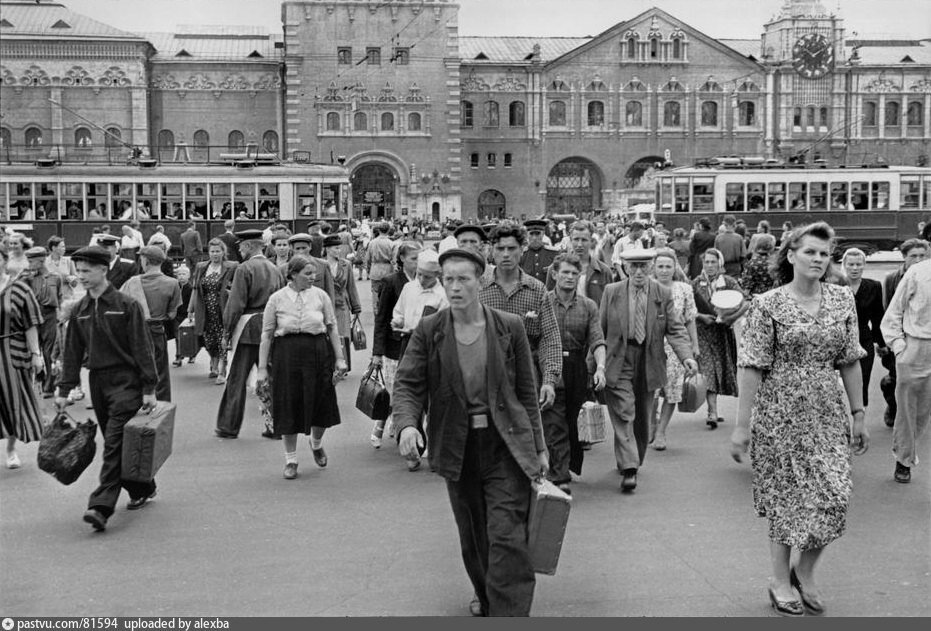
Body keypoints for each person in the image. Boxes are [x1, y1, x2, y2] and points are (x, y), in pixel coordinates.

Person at [392, 247, 548, 617]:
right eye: (449, 279)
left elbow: (526, 390)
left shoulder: (508, 327)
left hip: (504, 443)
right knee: (475, 538)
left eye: (464, 278)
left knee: (507, 536)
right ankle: (488, 594)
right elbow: (408, 384)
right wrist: (407, 426)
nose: (456, 286)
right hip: (457, 446)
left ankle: (509, 613)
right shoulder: (431, 329)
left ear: (481, 280)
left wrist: (538, 446)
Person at [731, 221, 869, 617]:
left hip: (827, 411)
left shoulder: (843, 300)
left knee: (836, 494)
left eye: (825, 254)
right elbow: (752, 367)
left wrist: (859, 413)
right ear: (790, 255)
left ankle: (804, 571)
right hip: (779, 414)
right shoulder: (767, 304)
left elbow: (850, 360)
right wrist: (742, 427)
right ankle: (779, 581)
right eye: (810, 251)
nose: (818, 259)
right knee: (785, 501)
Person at [55, 246, 161, 532]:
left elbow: (142, 348)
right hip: (98, 383)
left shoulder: (126, 305)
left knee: (113, 444)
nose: (82, 277)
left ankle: (100, 506)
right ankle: (142, 488)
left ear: (104, 270)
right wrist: (64, 390)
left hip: (126, 382)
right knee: (117, 442)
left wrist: (149, 388)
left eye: (87, 271)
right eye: (79, 271)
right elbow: (72, 353)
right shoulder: (80, 310)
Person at [601, 249, 697, 492]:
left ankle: (632, 457)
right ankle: (630, 467)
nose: (639, 272)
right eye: (633, 266)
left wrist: (686, 356)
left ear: (651, 267)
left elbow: (675, 329)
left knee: (643, 416)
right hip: (618, 358)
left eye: (644, 266)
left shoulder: (662, 294)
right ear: (624, 267)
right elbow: (600, 331)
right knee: (625, 411)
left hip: (648, 357)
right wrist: (595, 366)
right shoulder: (612, 292)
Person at [256, 256, 348, 479]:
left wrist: (340, 358)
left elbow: (332, 328)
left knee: (321, 402)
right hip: (286, 354)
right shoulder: (276, 299)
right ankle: (291, 460)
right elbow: (267, 335)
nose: (312, 277)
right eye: (307, 273)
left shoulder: (321, 296)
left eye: (313, 273)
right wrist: (261, 369)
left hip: (317, 351)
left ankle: (316, 444)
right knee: (289, 404)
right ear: (293, 275)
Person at [480, 222, 561, 413]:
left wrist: (549, 381)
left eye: (512, 248)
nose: (506, 254)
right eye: (500, 248)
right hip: (485, 376)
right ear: (492, 251)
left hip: (525, 376)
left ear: (522, 250)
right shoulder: (478, 289)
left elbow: (550, 337)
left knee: (526, 434)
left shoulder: (536, 289)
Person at [542, 253, 606, 493]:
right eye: (565, 272)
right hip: (551, 366)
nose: (569, 277)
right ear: (555, 274)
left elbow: (597, 340)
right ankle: (559, 475)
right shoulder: (543, 302)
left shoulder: (588, 306)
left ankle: (566, 465)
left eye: (574, 273)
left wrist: (600, 368)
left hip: (578, 367)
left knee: (572, 421)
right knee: (554, 420)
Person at [214, 230, 284, 439]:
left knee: (237, 378)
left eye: (242, 246)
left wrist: (226, 330)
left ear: (250, 246)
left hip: (247, 327)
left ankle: (228, 426)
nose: (239, 250)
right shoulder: (275, 268)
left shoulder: (244, 269)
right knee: (270, 377)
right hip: (270, 326)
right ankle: (276, 425)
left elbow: (235, 304)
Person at [880, 257, 931, 484]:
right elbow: (893, 313)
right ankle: (903, 459)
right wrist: (900, 347)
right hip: (918, 347)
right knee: (910, 411)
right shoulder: (917, 273)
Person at [369, 242, 421, 448]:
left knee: (414, 389)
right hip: (394, 344)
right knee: (393, 389)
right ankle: (380, 423)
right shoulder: (391, 282)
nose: (417, 263)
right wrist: (377, 353)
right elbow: (381, 319)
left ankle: (407, 428)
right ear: (401, 259)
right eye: (413, 258)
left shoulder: (426, 282)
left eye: (419, 258)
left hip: (417, 343)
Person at [0, 246, 45, 470]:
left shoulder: (18, 289)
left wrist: (36, 354)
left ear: (4, 261)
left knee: (12, 400)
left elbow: (30, 324)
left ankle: (11, 449)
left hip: (12, 352)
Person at [651, 249, 700, 451]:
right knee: (651, 391)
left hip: (676, 348)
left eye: (668, 266)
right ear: (654, 268)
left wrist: (694, 345)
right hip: (651, 346)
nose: (664, 270)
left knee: (672, 390)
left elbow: (689, 319)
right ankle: (651, 424)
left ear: (674, 268)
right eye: (660, 266)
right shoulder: (648, 287)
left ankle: (661, 431)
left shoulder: (684, 289)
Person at [692, 248, 746, 429]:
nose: (709, 266)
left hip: (722, 334)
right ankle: (712, 412)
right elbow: (688, 308)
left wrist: (731, 318)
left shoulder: (729, 282)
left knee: (721, 369)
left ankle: (713, 408)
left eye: (713, 262)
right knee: (708, 370)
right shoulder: (696, 283)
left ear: (720, 263)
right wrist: (700, 316)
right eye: (706, 262)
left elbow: (745, 302)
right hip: (703, 332)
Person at [120, 246, 181, 402]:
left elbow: (121, 308)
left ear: (145, 261)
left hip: (135, 333)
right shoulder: (173, 283)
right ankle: (161, 409)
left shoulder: (132, 282)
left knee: (136, 370)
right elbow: (172, 314)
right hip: (157, 331)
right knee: (160, 371)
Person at [880, 239, 929, 427]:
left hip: (922, 339)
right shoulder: (893, 278)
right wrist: (893, 343)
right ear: (904, 258)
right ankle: (894, 408)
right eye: (913, 256)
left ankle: (918, 415)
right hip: (900, 339)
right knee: (895, 379)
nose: (918, 260)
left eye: (922, 255)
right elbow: (888, 310)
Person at [841, 248, 886, 410]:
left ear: (864, 265)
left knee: (863, 378)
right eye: (851, 264)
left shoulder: (874, 286)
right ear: (844, 265)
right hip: (839, 338)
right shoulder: (834, 285)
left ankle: (860, 416)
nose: (854, 268)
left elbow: (877, 317)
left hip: (864, 339)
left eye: (858, 264)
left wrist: (881, 343)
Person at [188, 239, 239, 381]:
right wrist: (190, 309)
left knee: (223, 338)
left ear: (223, 252)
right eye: (212, 251)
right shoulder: (201, 267)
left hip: (223, 309)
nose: (215, 254)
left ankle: (222, 370)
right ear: (208, 253)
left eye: (218, 251)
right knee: (209, 339)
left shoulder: (232, 266)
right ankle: (214, 362)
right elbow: (195, 289)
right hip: (205, 310)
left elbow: (236, 287)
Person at [19, 246, 63, 398]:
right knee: (33, 350)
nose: (29, 264)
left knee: (49, 352)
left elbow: (59, 297)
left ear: (41, 261)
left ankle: (49, 386)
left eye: (31, 261)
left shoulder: (55, 277)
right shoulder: (27, 279)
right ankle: (36, 381)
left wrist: (59, 316)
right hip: (33, 316)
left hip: (49, 315)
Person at [323, 234, 361, 372]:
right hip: (326, 305)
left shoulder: (346, 265)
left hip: (342, 305)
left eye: (339, 248)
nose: (338, 251)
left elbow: (351, 286)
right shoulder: (321, 265)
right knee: (328, 334)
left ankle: (342, 365)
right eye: (335, 248)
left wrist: (356, 308)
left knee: (344, 335)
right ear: (327, 249)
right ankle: (329, 364)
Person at [365, 223, 396, 317]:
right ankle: (386, 314)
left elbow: (368, 259)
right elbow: (394, 261)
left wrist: (369, 269)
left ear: (378, 230)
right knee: (387, 294)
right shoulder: (392, 244)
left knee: (375, 293)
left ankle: (377, 313)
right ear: (388, 231)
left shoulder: (372, 243)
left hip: (375, 269)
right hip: (388, 270)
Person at [519, 219, 558, 284]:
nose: (534, 238)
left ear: (543, 234)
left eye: (537, 234)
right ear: (527, 235)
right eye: (531, 234)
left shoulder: (553, 254)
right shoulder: (521, 255)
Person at [46, 236, 80, 301]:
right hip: (51, 299)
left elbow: (75, 284)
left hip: (67, 298)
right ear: (54, 248)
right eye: (62, 246)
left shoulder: (69, 261)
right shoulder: (45, 263)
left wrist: (72, 279)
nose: (65, 249)